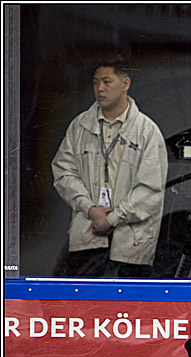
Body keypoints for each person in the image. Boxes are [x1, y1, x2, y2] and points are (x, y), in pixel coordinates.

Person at [51, 55, 167, 277]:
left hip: (131, 245)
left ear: (125, 84)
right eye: (96, 83)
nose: (100, 89)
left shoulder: (147, 131)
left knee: (127, 308)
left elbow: (151, 190)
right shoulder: (80, 126)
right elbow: (63, 172)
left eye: (107, 82)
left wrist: (113, 219)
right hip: (88, 237)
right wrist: (90, 209)